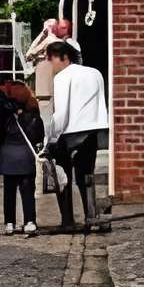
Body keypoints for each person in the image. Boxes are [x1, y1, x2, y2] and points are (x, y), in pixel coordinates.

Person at [37, 38, 109, 234]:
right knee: (86, 176)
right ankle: (91, 216)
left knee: (62, 177)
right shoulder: (95, 73)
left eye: (51, 59)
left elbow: (61, 112)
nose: (50, 65)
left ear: (63, 57)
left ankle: (67, 220)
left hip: (69, 133)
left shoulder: (62, 77)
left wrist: (50, 138)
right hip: (92, 130)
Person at [0, 70, 43, 235]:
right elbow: (39, 135)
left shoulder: (4, 113)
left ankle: (9, 223)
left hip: (8, 156)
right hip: (26, 156)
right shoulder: (33, 111)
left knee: (9, 192)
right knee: (27, 190)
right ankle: (30, 221)